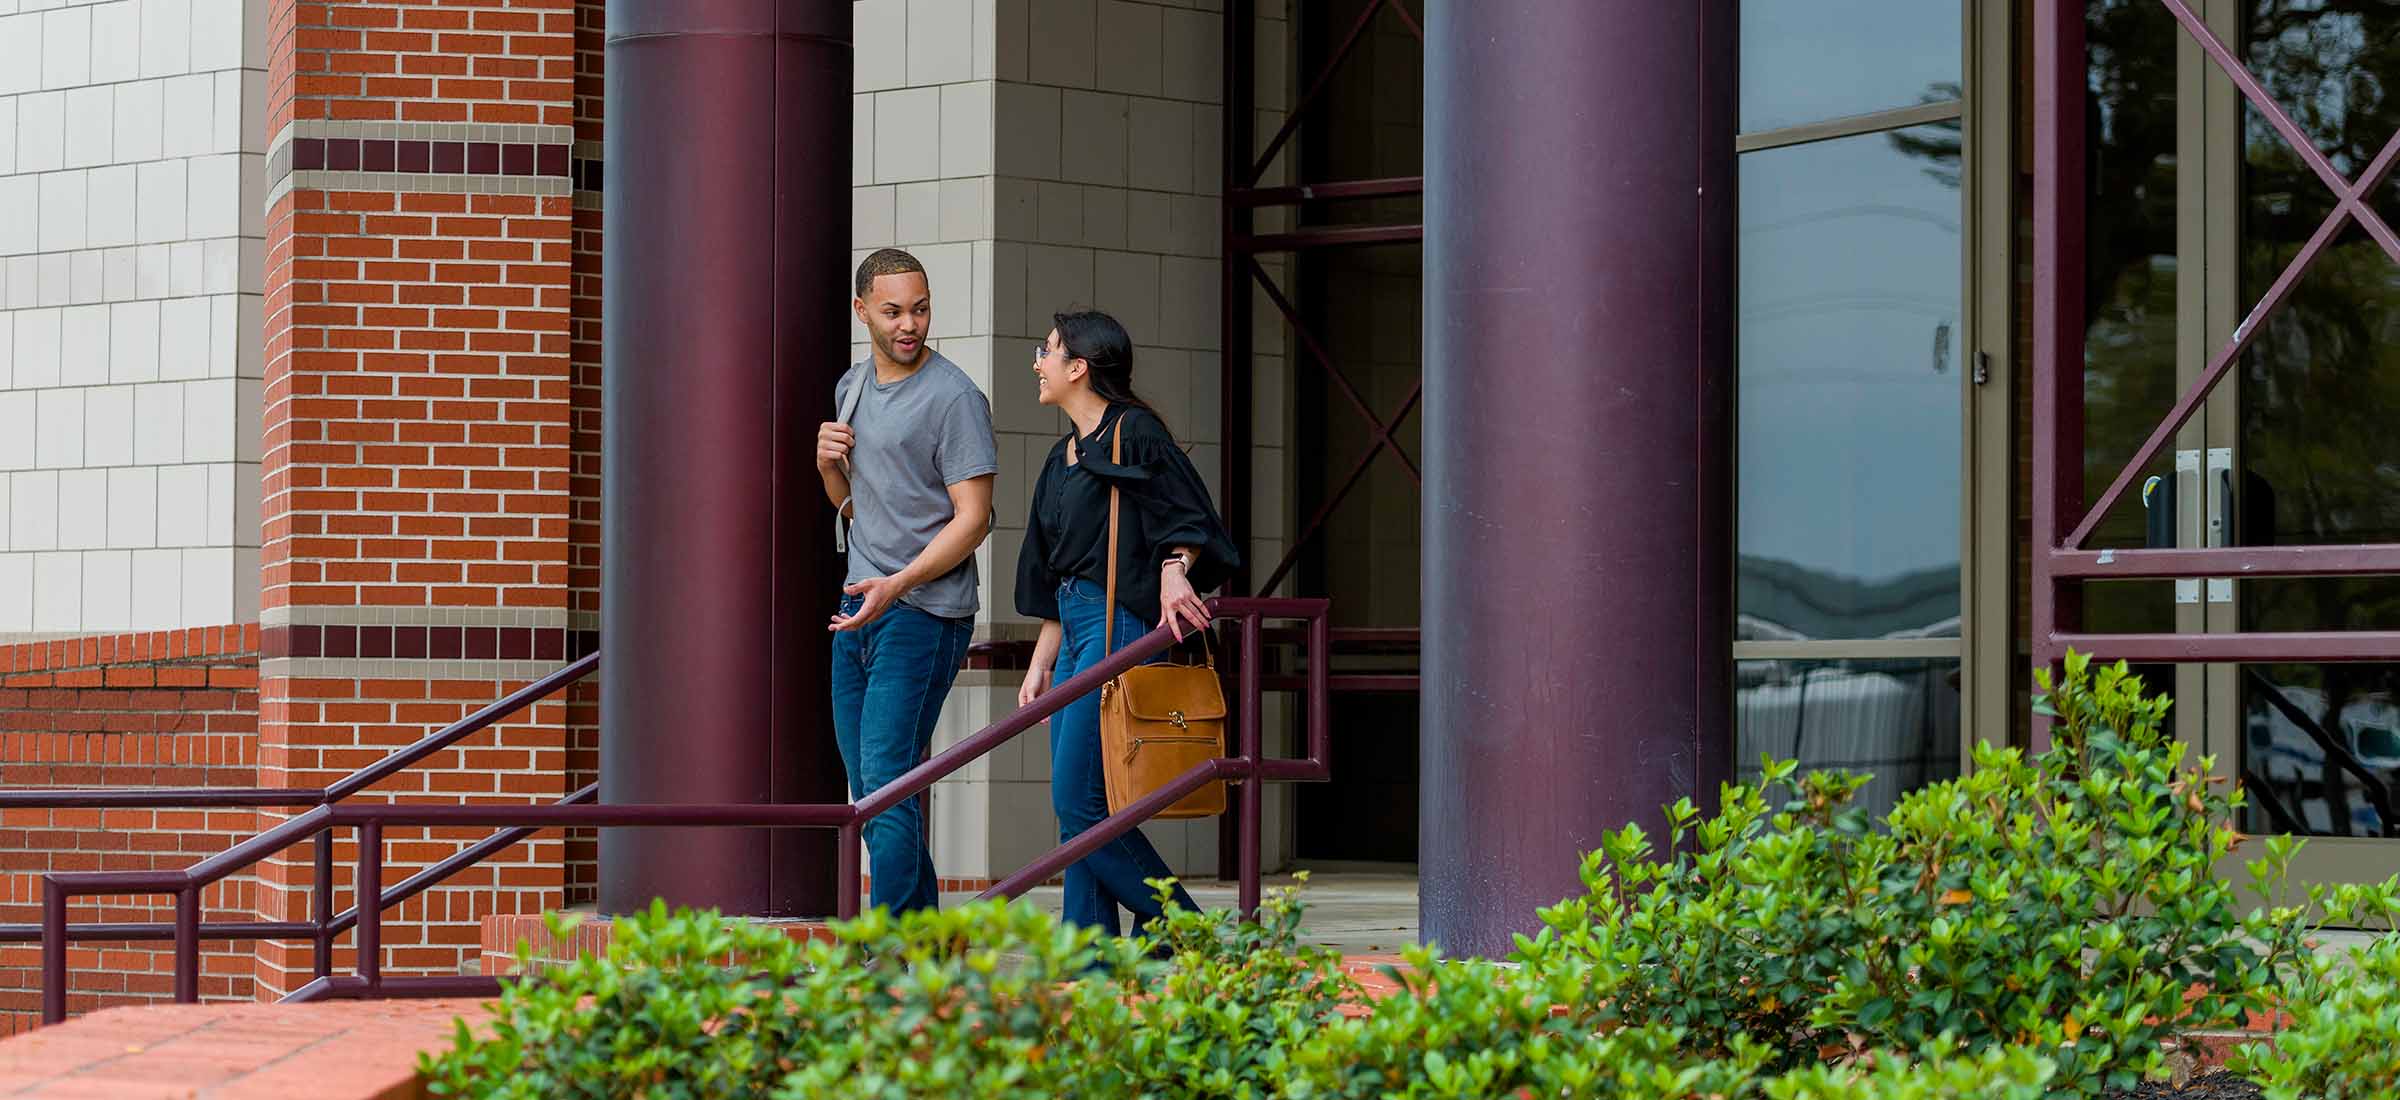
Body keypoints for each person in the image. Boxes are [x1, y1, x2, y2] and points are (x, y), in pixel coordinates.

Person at [1015, 310, 1240, 936]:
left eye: (1048, 350)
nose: (1038, 361)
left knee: (1079, 800)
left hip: (1118, 625)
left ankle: (1181, 925)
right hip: (1076, 626)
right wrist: (1041, 660)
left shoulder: (1133, 432)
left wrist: (1175, 567)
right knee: (1084, 801)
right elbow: (1052, 566)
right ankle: (1089, 950)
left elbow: (1189, 515)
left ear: (1079, 367)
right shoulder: (1061, 457)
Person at [816, 248, 999, 914]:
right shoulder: (853, 387)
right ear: (862, 310)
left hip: (924, 612)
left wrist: (898, 584)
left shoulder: (954, 399)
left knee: (887, 783)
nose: (910, 324)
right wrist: (827, 465)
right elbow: (861, 507)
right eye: (893, 311)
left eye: (920, 309)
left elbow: (974, 520)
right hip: (857, 606)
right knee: (868, 788)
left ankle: (892, 949)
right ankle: (921, 942)